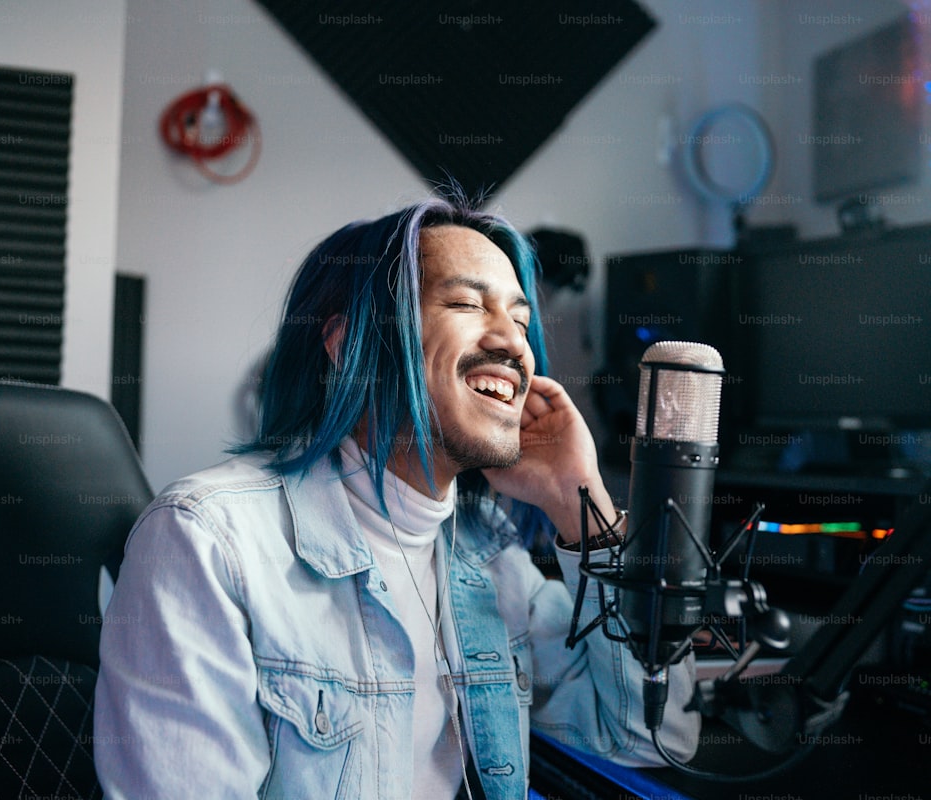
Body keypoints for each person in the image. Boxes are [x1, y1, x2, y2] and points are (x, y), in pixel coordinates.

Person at [94, 193, 699, 799]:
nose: (515, 345)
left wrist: (581, 505)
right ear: (349, 343)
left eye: (520, 321)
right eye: (466, 303)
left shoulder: (488, 555)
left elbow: (650, 734)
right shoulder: (207, 541)